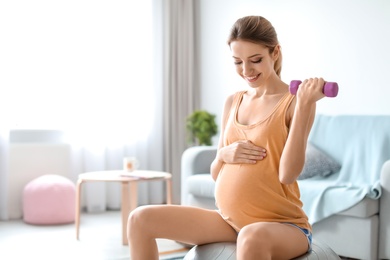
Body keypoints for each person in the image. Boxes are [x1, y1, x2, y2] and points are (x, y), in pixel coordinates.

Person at [127, 15, 326, 260]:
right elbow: (215, 172)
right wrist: (224, 153)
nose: (246, 71)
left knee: (251, 236)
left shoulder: (295, 102)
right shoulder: (233, 101)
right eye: (238, 62)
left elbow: (288, 174)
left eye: (255, 60)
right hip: (229, 221)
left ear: (275, 53)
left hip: (283, 227)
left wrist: (305, 105)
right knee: (140, 219)